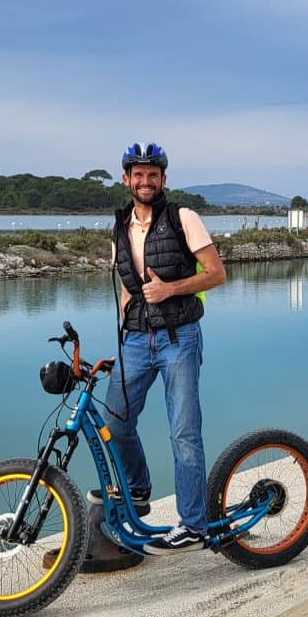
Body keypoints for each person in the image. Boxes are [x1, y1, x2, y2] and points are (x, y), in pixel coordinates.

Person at [102, 142, 227, 553]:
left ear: (163, 180)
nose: (145, 181)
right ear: (126, 179)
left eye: (152, 174)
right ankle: (137, 489)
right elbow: (126, 284)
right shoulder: (120, 226)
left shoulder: (183, 218)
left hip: (179, 338)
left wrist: (170, 288)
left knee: (184, 434)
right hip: (135, 339)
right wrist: (121, 340)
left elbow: (216, 274)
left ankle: (193, 525)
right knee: (115, 420)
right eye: (137, 174)